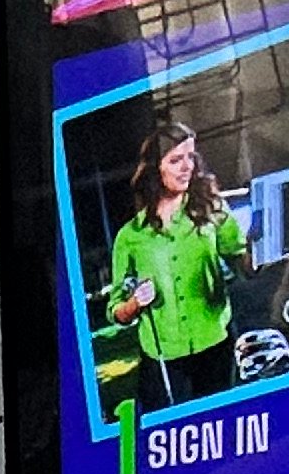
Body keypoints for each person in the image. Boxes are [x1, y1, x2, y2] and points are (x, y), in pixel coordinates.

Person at [101, 120, 249, 410]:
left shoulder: (211, 208)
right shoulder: (130, 237)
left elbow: (244, 263)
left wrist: (263, 249)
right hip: (164, 361)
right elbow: (115, 311)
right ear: (155, 169)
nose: (187, 167)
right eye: (175, 160)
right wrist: (135, 303)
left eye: (191, 157)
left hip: (216, 345)